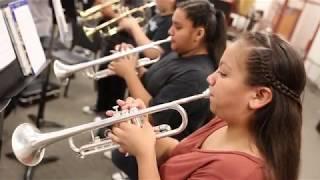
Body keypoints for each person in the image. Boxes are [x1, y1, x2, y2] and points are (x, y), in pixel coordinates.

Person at [108, 31, 307, 180]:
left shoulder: (237, 172)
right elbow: (182, 155)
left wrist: (144, 154)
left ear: (259, 96)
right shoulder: (226, 121)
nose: (210, 78)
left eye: (224, 73)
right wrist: (143, 128)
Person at [108, 0, 226, 179]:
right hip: (143, 146)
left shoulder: (196, 76)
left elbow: (155, 116)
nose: (170, 31)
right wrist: (133, 64)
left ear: (199, 33)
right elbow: (153, 80)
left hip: (155, 156)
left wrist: (129, 74)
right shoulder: (180, 52)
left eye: (177, 27)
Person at [83, 0, 173, 117]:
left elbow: (154, 53)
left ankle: (109, 115)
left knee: (117, 88)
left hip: (145, 74)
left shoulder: (168, 21)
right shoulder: (159, 16)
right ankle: (102, 110)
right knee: (105, 78)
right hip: (137, 65)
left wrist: (126, 22)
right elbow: (144, 37)